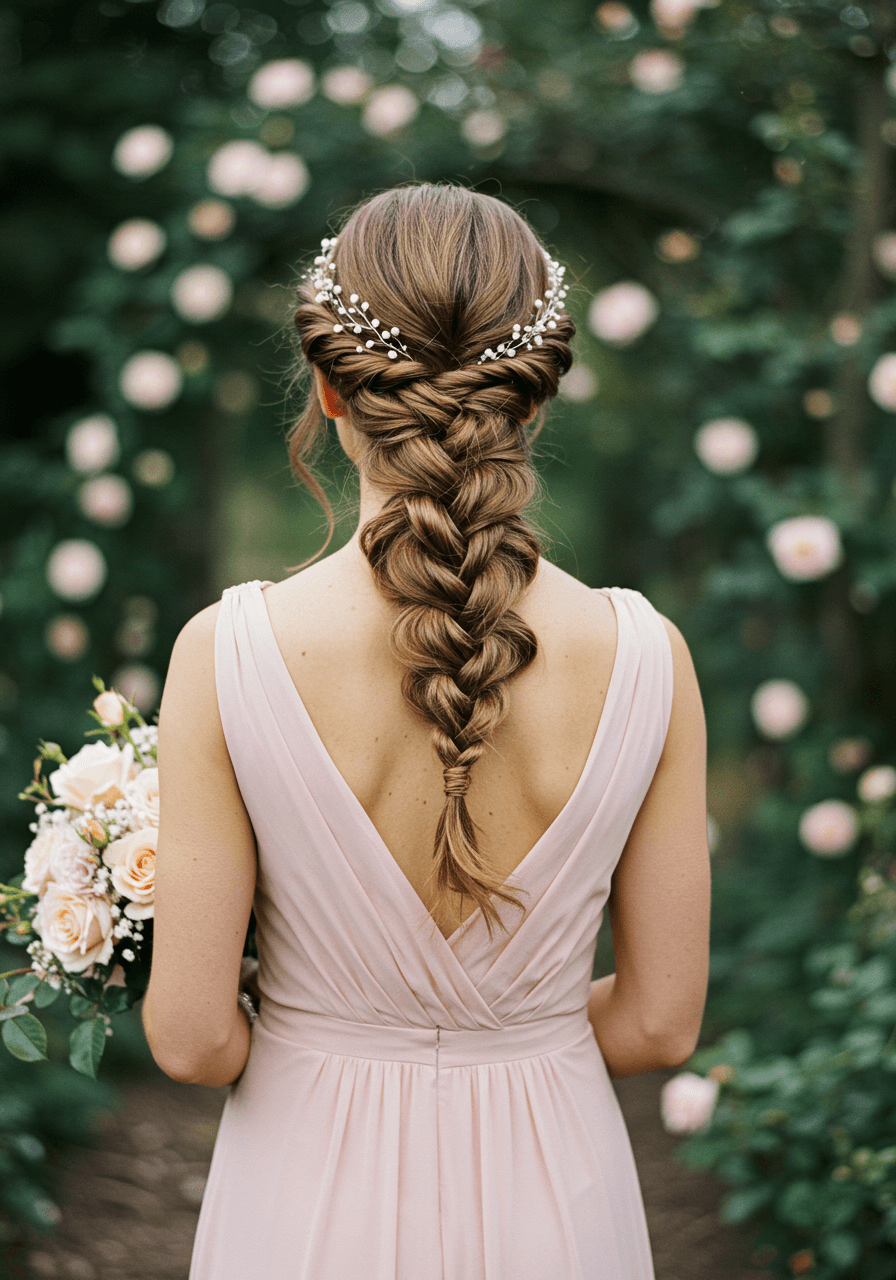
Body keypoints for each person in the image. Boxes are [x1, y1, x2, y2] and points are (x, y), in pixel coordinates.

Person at [142, 182, 711, 1279]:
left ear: (328, 389)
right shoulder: (649, 658)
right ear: (534, 396)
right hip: (560, 1194)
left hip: (301, 1197)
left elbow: (192, 1036)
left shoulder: (225, 653)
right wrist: (515, 1038)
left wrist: (340, 1039)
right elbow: (655, 1025)